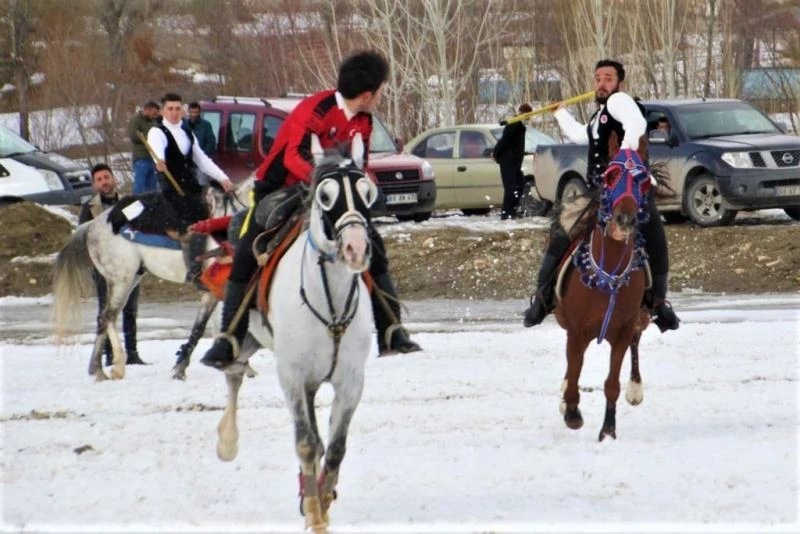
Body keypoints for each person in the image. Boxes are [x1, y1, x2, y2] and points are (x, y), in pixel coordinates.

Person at [201, 50, 421, 370]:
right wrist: (323, 182)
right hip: (281, 186)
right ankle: (228, 338)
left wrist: (364, 190)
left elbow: (361, 165)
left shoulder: (365, 121)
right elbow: (293, 157)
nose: (381, 97)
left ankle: (392, 330)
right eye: (382, 91)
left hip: (332, 191)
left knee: (372, 242)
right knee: (250, 244)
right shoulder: (316, 109)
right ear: (367, 94)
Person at [522, 59, 680, 332]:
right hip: (599, 190)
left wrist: (626, 155)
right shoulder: (600, 115)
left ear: (619, 82)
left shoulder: (619, 101)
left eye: (608, 77)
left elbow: (636, 123)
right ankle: (543, 296)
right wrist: (560, 113)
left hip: (626, 189)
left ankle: (658, 303)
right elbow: (583, 136)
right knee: (561, 231)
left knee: (654, 237)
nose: (601, 83)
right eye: (597, 78)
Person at [146, 92, 234, 290]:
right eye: (170, 109)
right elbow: (157, 152)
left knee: (219, 206)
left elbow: (202, 160)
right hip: (171, 188)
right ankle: (195, 270)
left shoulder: (186, 131)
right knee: (198, 219)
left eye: (178, 108)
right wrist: (159, 161)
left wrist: (223, 178)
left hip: (190, 184)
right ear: (162, 111)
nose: (175, 113)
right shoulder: (157, 132)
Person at [78, 163, 147, 366]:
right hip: (104, 267)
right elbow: (83, 237)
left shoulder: (128, 203)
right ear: (94, 185)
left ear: (113, 179)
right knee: (107, 307)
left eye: (106, 177)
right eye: (99, 179)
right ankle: (108, 354)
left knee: (130, 308)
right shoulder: (89, 208)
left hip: (128, 264)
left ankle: (132, 352)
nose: (104, 182)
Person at [493, 103, 532, 220]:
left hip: (515, 162)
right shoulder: (515, 123)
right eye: (529, 115)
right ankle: (507, 214)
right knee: (510, 188)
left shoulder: (520, 124)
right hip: (508, 161)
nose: (530, 118)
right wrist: (495, 153)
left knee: (520, 184)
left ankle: (513, 211)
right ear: (524, 114)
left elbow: (516, 144)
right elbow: (504, 140)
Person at [127, 100, 161, 194]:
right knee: (139, 185)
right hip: (141, 157)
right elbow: (133, 135)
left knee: (152, 187)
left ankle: (152, 206)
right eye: (153, 113)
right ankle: (135, 203)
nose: (155, 116)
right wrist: (149, 138)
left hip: (152, 158)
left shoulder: (153, 122)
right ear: (147, 110)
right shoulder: (136, 120)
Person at [187, 101, 217, 187]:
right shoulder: (184, 124)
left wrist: (202, 155)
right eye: (191, 112)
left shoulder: (206, 125)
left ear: (199, 112)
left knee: (202, 186)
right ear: (188, 112)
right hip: (188, 162)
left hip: (201, 162)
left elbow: (211, 142)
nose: (193, 114)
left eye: (196, 112)